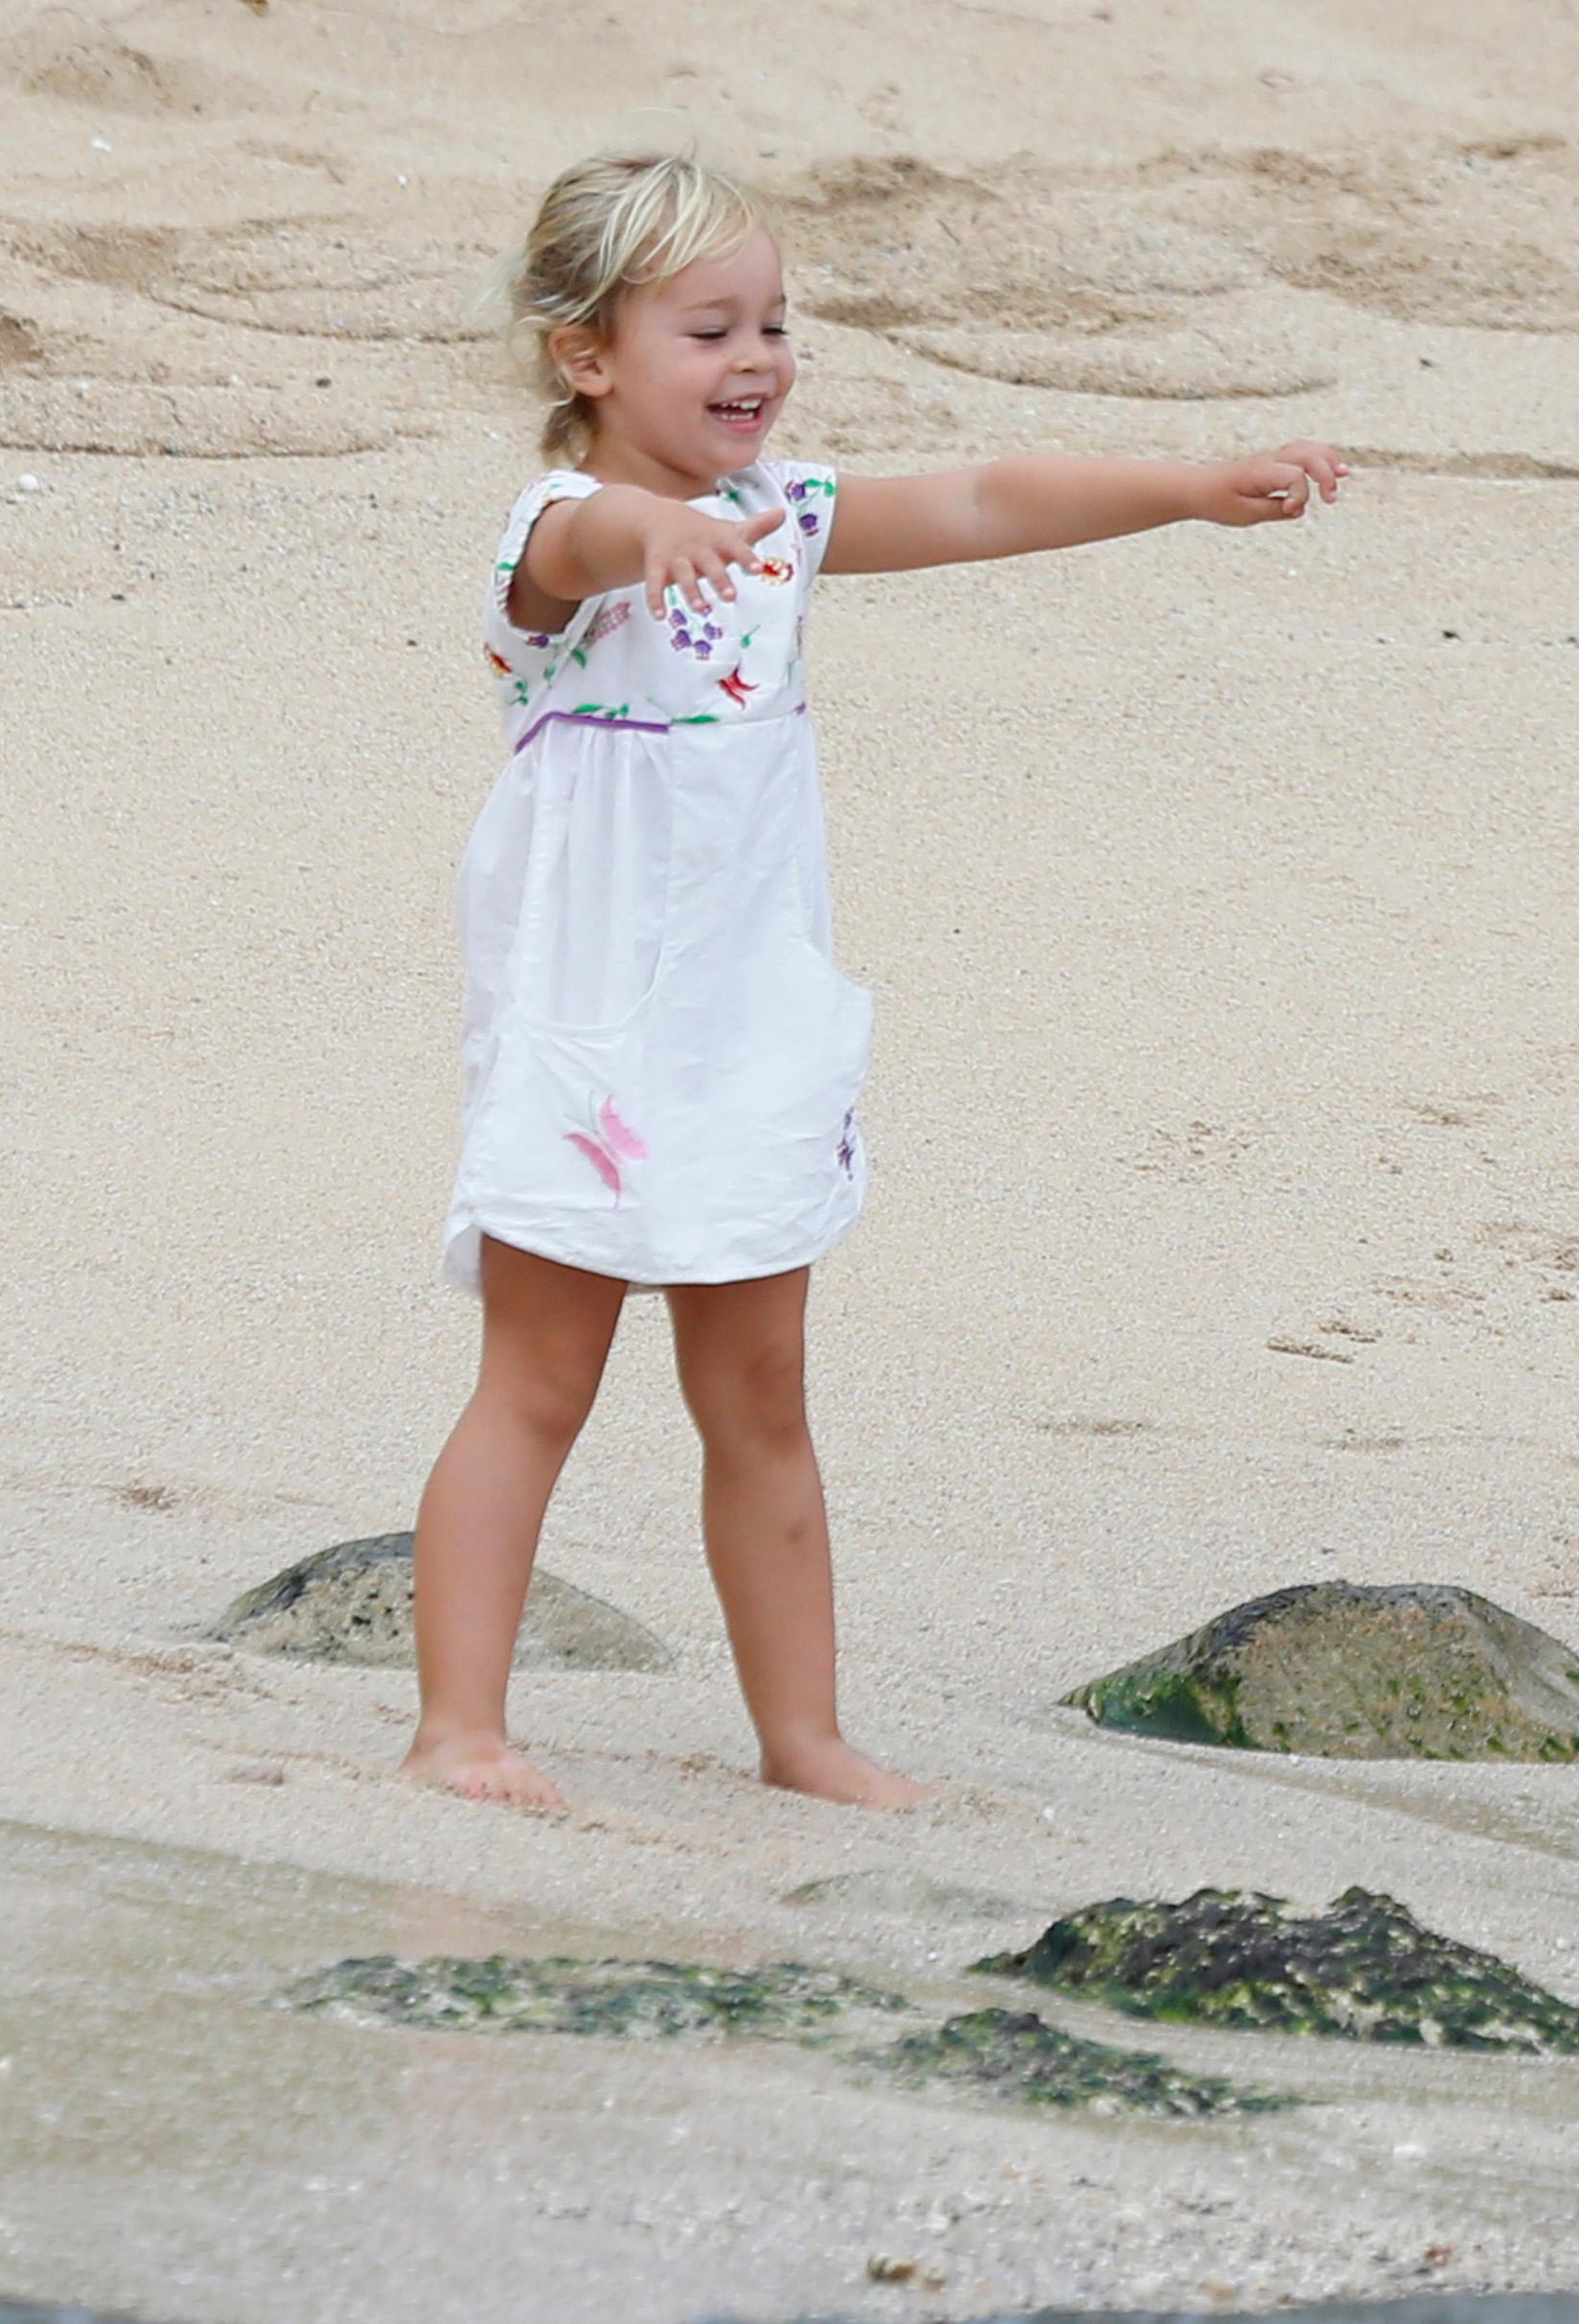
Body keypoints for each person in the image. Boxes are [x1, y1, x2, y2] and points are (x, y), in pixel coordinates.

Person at [409, 150, 1349, 1811]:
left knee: (761, 1393)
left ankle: (804, 1736)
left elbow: (984, 497)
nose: (757, 357)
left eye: (773, 323)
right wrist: (663, 529)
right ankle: (460, 1727)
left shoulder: (779, 525)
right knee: (540, 1378)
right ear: (586, 357)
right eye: (708, 329)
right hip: (594, 1032)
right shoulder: (564, 531)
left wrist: (1190, 484)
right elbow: (594, 539)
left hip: (749, 1018)